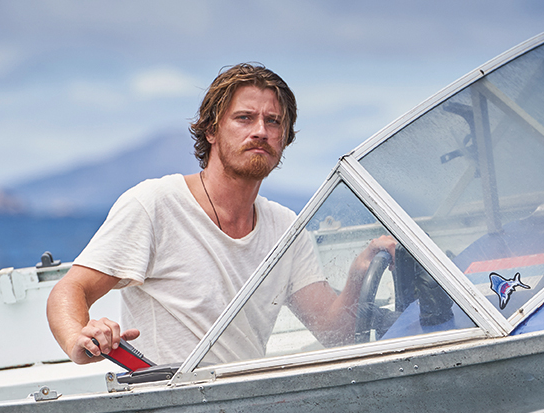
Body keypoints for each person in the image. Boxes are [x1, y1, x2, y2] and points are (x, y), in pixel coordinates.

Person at [47, 63, 395, 366]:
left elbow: (335, 334)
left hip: (238, 404)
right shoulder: (154, 203)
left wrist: (357, 274)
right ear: (211, 130)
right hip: (162, 406)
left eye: (273, 122)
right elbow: (70, 290)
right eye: (244, 118)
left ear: (284, 139)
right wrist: (79, 342)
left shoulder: (285, 227)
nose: (261, 130)